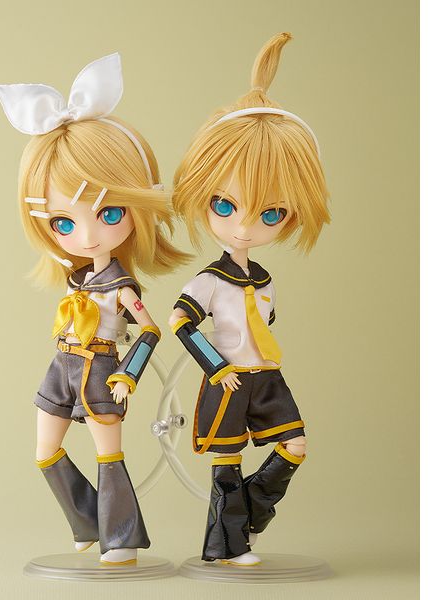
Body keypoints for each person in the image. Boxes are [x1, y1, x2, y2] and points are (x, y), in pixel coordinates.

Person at [0, 53, 189, 565]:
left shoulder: (121, 287)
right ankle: (86, 523)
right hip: (62, 365)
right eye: (63, 222)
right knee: (45, 452)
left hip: (102, 367)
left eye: (109, 212)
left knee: (109, 455)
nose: (86, 236)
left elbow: (150, 331)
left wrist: (129, 374)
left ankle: (120, 539)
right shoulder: (75, 277)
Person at [169, 33, 330, 566]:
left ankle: (247, 519)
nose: (243, 226)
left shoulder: (263, 280)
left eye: (269, 214)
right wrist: (216, 368)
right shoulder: (210, 281)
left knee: (294, 445)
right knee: (227, 463)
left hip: (267, 375)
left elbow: (266, 323)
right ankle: (227, 545)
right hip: (230, 378)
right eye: (224, 205)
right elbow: (181, 322)